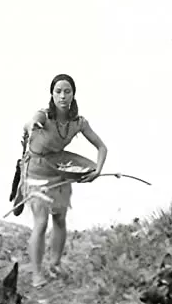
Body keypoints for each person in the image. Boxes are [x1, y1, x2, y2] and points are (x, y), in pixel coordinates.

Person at [17, 73, 108, 287]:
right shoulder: (44, 115)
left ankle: (55, 264)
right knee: (40, 223)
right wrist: (31, 127)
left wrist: (97, 171)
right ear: (52, 94)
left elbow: (102, 147)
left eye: (67, 91)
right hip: (36, 173)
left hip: (59, 170)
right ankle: (37, 274)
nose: (63, 96)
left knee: (59, 219)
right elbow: (32, 122)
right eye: (58, 91)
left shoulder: (77, 122)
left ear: (73, 94)